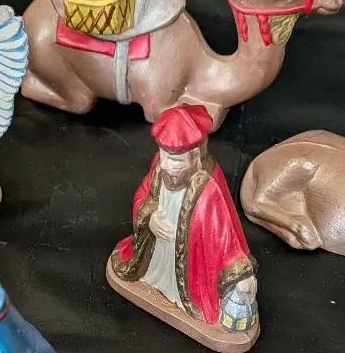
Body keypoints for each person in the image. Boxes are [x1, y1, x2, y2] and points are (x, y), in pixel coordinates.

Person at [110, 103, 257, 332]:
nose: (168, 166)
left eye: (177, 161)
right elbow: (143, 194)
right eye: (164, 156)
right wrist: (150, 219)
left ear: (195, 156)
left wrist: (241, 275)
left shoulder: (209, 186)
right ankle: (154, 279)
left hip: (191, 268)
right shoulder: (159, 167)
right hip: (157, 252)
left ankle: (180, 295)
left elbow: (225, 234)